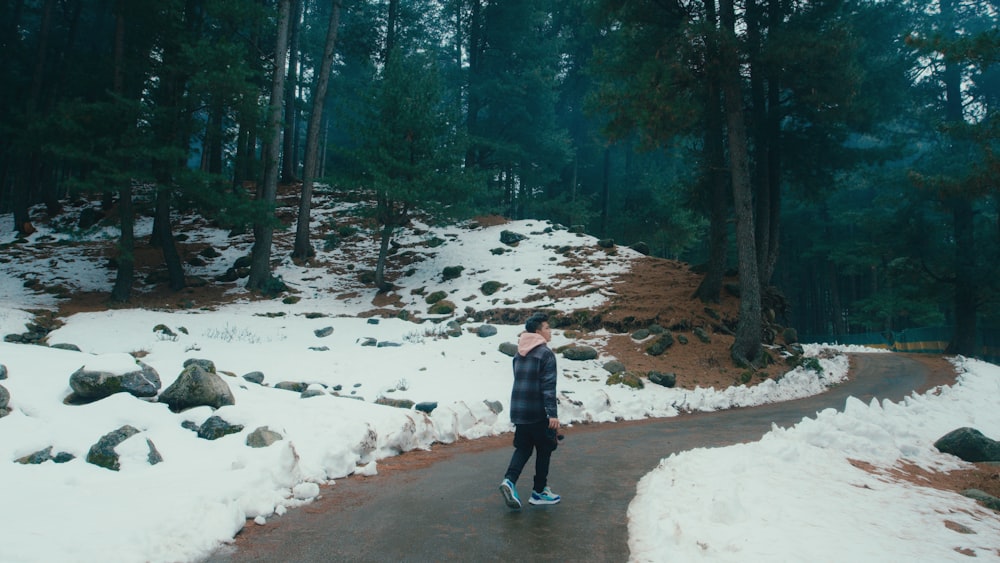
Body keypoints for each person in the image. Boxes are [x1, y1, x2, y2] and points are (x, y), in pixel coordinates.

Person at [499, 312, 561, 508]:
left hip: (519, 410)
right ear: (537, 332)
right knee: (545, 448)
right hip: (538, 411)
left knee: (524, 447)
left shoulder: (519, 354)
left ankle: (509, 480)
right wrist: (552, 414)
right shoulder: (545, 354)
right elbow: (548, 386)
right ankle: (539, 491)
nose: (550, 331)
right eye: (547, 328)